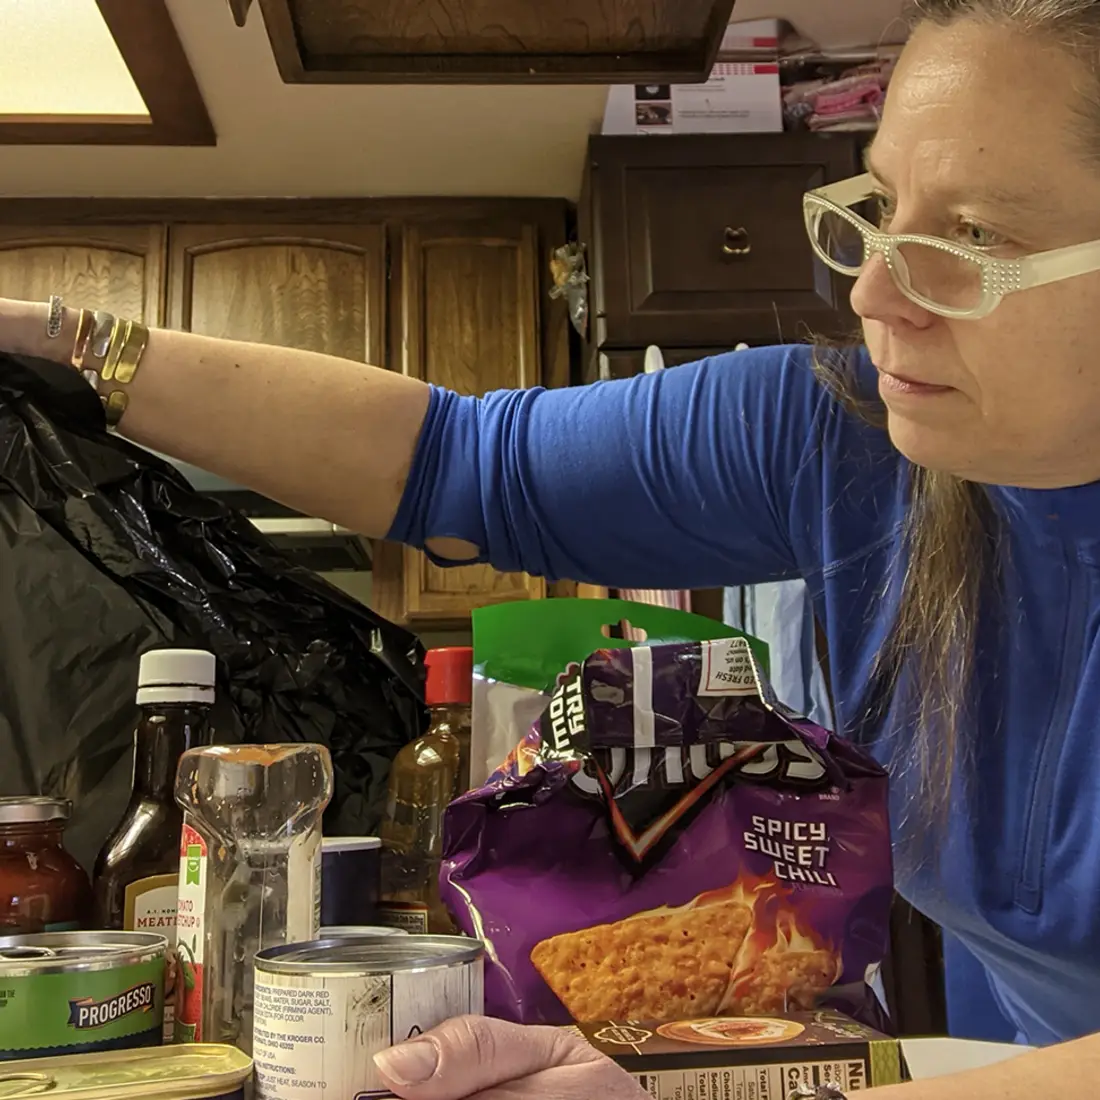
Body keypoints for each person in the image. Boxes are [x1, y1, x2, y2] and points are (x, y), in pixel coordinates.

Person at [3, 0, 1100, 1095]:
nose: (869, 294)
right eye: (880, 205)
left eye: (970, 238)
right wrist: (62, 341)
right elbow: (457, 461)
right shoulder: (848, 433)